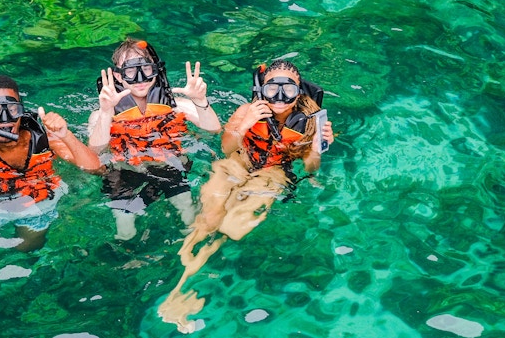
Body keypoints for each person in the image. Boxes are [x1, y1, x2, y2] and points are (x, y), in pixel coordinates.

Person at [158, 59, 335, 333]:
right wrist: (244, 124)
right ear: (261, 89)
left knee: (233, 227)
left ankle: (193, 282)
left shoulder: (310, 123)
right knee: (208, 218)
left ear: (299, 93)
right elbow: (227, 148)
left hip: (273, 172)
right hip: (238, 162)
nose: (278, 97)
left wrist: (316, 148)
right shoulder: (246, 110)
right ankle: (179, 286)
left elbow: (311, 169)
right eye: (271, 89)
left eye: (287, 90)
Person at [0, 75, 101, 267]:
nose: (5, 120)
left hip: (34, 198)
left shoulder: (42, 136)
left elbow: (95, 168)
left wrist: (66, 134)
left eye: (12, 110)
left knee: (29, 246)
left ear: (21, 109)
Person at [88, 38, 222, 240]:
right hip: (124, 172)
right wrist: (107, 111)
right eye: (131, 72)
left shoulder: (175, 104)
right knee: (125, 231)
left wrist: (200, 100)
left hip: (168, 168)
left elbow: (213, 130)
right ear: (118, 75)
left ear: (156, 70)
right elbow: (95, 151)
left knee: (189, 217)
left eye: (146, 69)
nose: (140, 78)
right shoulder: (102, 114)